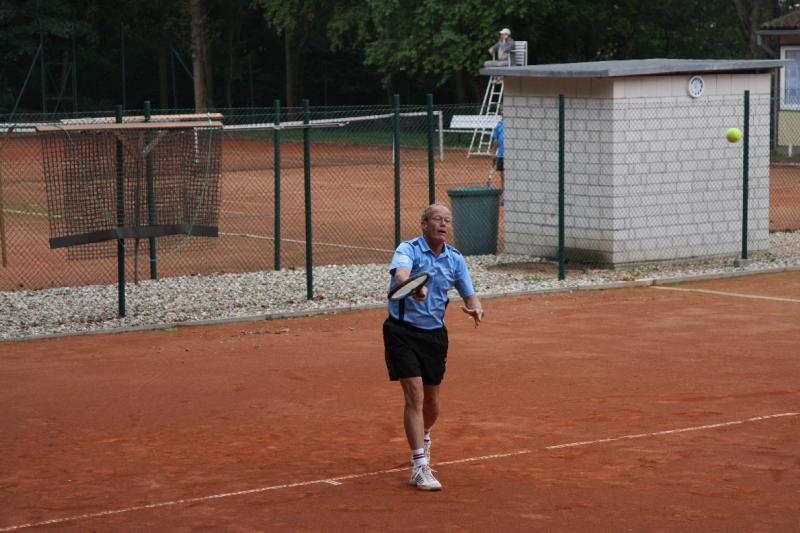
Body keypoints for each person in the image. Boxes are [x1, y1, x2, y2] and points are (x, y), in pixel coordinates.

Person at [383, 203, 484, 491]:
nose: (443, 224)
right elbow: (401, 275)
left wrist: (476, 307)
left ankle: (424, 435)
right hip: (401, 332)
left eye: (447, 220)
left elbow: (470, 294)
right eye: (437, 219)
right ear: (424, 224)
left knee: (432, 402)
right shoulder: (408, 249)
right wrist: (414, 286)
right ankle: (419, 466)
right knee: (414, 395)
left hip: (435, 336)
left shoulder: (455, 259)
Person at [490, 106, 505, 202]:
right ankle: (504, 196)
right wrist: (493, 153)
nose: (502, 112)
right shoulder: (499, 125)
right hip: (501, 154)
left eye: (504, 109)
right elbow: (495, 140)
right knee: (503, 176)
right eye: (501, 110)